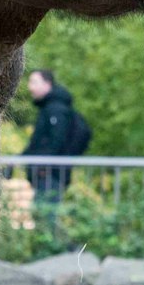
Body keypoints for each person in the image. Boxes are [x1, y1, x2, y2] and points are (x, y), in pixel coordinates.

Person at [23, 69, 90, 201]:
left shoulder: (55, 109)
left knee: (45, 210)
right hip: (48, 172)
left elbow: (57, 141)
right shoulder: (50, 108)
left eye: (34, 82)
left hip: (50, 174)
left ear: (47, 84)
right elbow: (37, 142)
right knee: (43, 209)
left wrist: (42, 165)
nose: (30, 87)